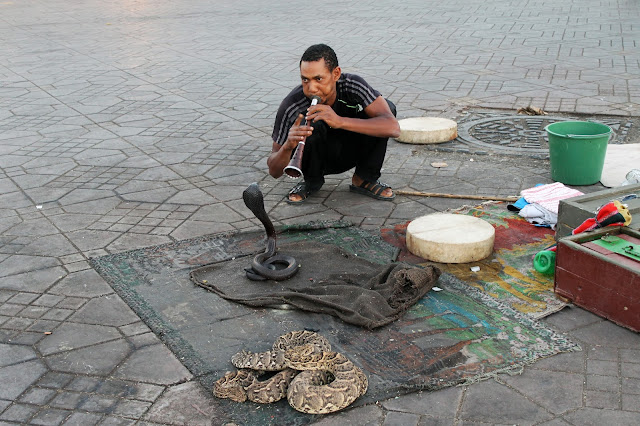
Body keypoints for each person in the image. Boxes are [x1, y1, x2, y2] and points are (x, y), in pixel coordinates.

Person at [267, 44, 400, 204]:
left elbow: (393, 127)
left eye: (318, 79)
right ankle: (312, 182)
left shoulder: (352, 85)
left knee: (387, 107)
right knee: (311, 123)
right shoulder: (291, 105)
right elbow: (274, 171)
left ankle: (364, 178)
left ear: (336, 74)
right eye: (305, 80)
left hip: (353, 151)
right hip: (320, 160)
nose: (312, 88)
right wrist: (288, 146)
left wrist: (340, 121)